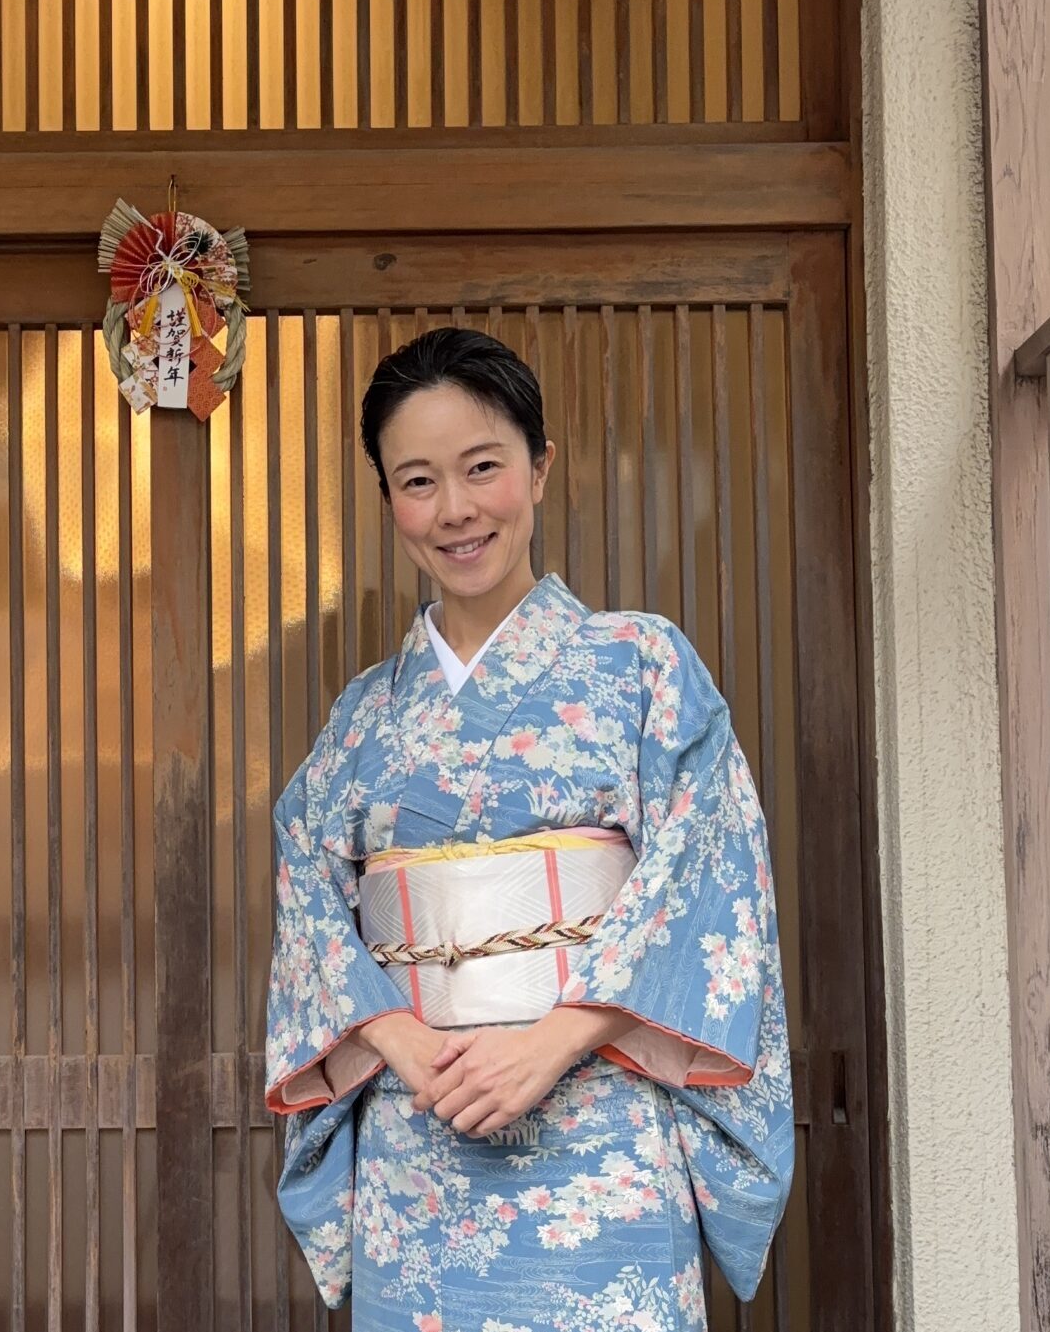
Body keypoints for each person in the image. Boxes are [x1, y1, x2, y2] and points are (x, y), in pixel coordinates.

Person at [264, 327, 793, 1331]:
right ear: (388, 502)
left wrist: (555, 1039)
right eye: (417, 481)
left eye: (482, 468)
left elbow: (703, 875)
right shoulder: (364, 720)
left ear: (540, 469)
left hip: (602, 1133)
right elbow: (310, 900)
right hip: (420, 1138)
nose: (454, 509)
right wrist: (400, 1041)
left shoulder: (639, 666)